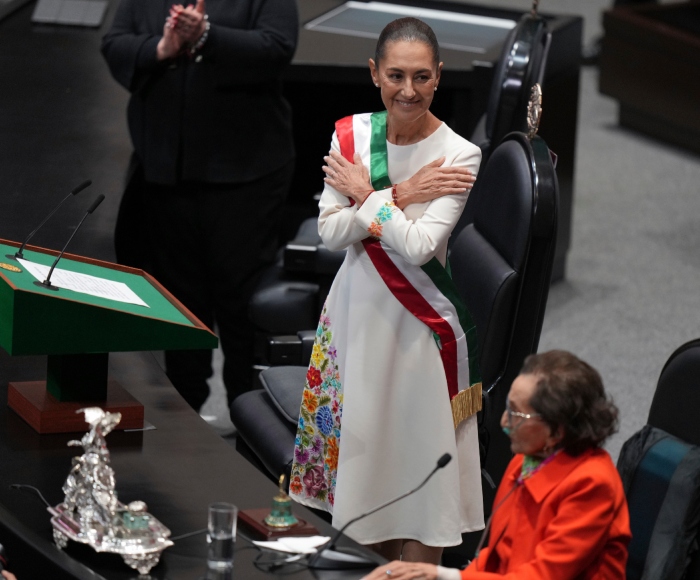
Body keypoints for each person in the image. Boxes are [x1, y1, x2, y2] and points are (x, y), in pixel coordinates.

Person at [289, 17, 483, 565]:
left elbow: (418, 247)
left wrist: (367, 195)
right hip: (355, 318)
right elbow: (330, 233)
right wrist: (402, 193)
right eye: (396, 75)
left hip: (418, 332)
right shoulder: (350, 135)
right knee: (364, 472)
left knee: (419, 473)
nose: (408, 91)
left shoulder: (459, 155)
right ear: (374, 72)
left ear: (439, 75)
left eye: (422, 77)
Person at [101, 0, 298, 410]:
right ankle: (184, 415)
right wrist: (161, 49)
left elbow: (277, 47)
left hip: (245, 176)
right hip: (165, 173)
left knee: (241, 306)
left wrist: (207, 35)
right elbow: (115, 42)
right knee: (180, 303)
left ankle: (249, 416)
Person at [362, 350, 631, 579]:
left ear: (556, 431)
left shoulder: (592, 485)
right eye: (507, 408)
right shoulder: (525, 462)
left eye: (516, 414)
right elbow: (500, 554)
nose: (504, 422)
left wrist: (446, 576)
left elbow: (543, 575)